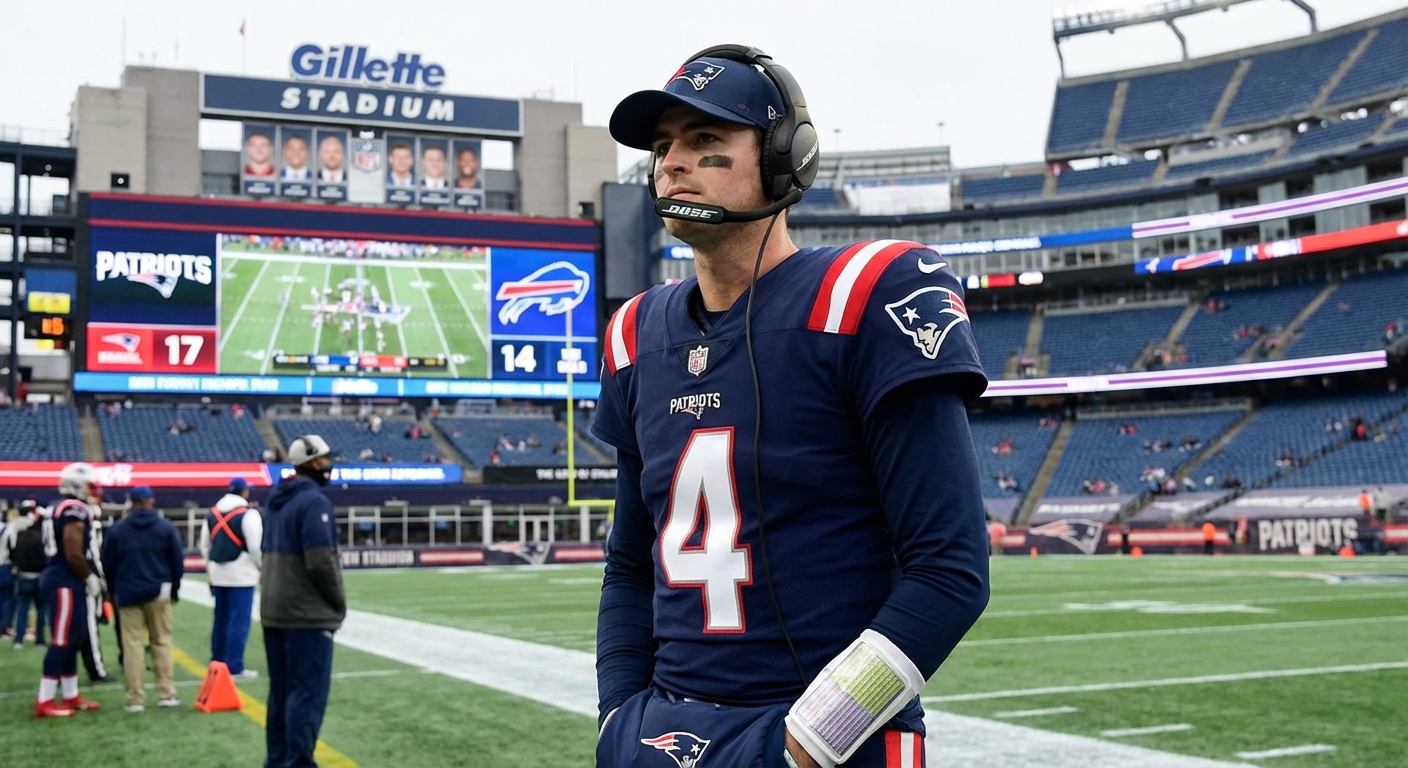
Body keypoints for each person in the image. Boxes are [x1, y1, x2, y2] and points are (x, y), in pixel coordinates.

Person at [593, 46, 989, 768]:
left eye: (706, 141)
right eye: (662, 146)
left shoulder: (867, 294)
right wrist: (617, 717)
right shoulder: (634, 334)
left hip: (825, 746)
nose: (673, 161)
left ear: (785, 158)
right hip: (663, 732)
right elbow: (629, 564)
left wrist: (809, 742)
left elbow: (950, 569)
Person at [262, 435, 346, 768]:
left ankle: (278, 761)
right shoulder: (313, 503)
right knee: (306, 696)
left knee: (281, 694)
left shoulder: (275, 502)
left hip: (275, 610)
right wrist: (338, 604)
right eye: (325, 459)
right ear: (312, 462)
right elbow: (320, 561)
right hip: (306, 614)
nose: (329, 465)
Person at [102, 486, 184, 712]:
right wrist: (175, 588)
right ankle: (166, 693)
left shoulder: (118, 530)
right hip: (158, 591)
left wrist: (112, 591)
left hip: (128, 592)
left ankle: (135, 698)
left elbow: (108, 564)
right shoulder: (165, 527)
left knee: (132, 646)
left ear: (131, 502)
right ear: (151, 502)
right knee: (162, 641)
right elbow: (177, 562)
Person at [34, 463, 106, 717]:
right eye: (90, 486)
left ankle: (70, 693)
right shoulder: (74, 509)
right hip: (64, 579)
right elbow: (73, 552)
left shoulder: (57, 506)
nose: (95, 491)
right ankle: (44, 700)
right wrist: (89, 577)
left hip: (64, 578)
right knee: (61, 640)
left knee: (72, 640)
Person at [199, 478, 263, 678]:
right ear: (244, 492)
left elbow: (204, 546)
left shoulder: (212, 514)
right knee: (239, 621)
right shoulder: (249, 514)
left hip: (218, 574)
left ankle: (217, 661)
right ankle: (234, 665)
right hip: (242, 575)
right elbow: (255, 547)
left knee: (221, 619)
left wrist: (210, 570)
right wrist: (261, 568)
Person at [4, 501, 47, 648]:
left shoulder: (20, 536)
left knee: (22, 609)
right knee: (40, 610)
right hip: (38, 576)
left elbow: (12, 551)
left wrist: (18, 564)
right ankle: (40, 640)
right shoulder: (40, 538)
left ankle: (18, 640)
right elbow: (44, 557)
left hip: (23, 575)